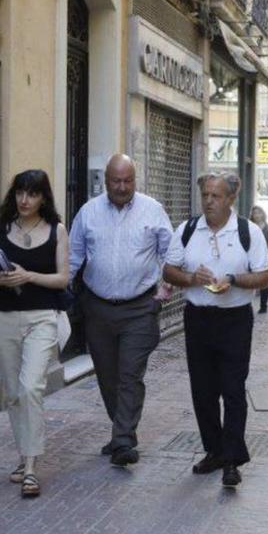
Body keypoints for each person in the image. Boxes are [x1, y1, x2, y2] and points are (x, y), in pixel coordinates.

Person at [163, 172, 268, 487]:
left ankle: (233, 460)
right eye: (206, 195)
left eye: (216, 196)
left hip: (235, 320)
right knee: (203, 391)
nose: (209, 201)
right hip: (197, 318)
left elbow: (263, 276)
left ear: (231, 199)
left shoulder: (247, 232)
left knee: (233, 390)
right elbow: (169, 270)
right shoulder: (187, 230)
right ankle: (214, 451)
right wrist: (192, 279)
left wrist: (234, 280)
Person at [69, 154, 173, 467]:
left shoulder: (152, 210)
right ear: (106, 180)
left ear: (135, 180)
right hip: (98, 307)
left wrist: (166, 285)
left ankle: (124, 439)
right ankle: (121, 430)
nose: (123, 187)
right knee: (107, 376)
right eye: (117, 181)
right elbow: (73, 258)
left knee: (130, 374)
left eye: (128, 180)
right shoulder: (88, 213)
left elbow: (171, 252)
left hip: (140, 307)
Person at [0, 170, 70, 498]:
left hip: (42, 318)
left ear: (43, 197)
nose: (24, 200)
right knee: (14, 393)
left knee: (31, 387)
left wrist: (28, 276)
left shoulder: (56, 230)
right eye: (19, 193)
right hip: (3, 319)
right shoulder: (0, 229)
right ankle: (23, 457)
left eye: (31, 194)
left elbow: (62, 279)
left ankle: (31, 467)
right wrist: (0, 280)